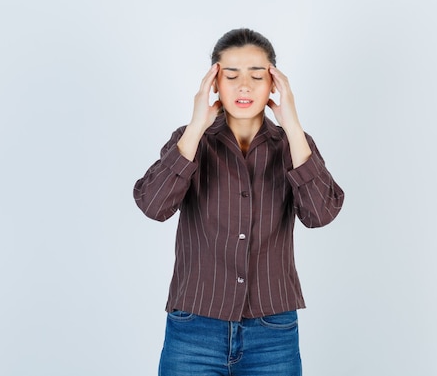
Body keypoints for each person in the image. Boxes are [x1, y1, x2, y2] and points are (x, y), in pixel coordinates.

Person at [133, 28, 344, 376]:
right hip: (193, 328)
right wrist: (197, 126)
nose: (244, 85)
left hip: (273, 332)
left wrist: (291, 123)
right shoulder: (190, 141)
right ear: (213, 82)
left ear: (274, 83)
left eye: (257, 75)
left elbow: (320, 213)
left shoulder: (293, 143)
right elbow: (153, 206)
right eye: (231, 75)